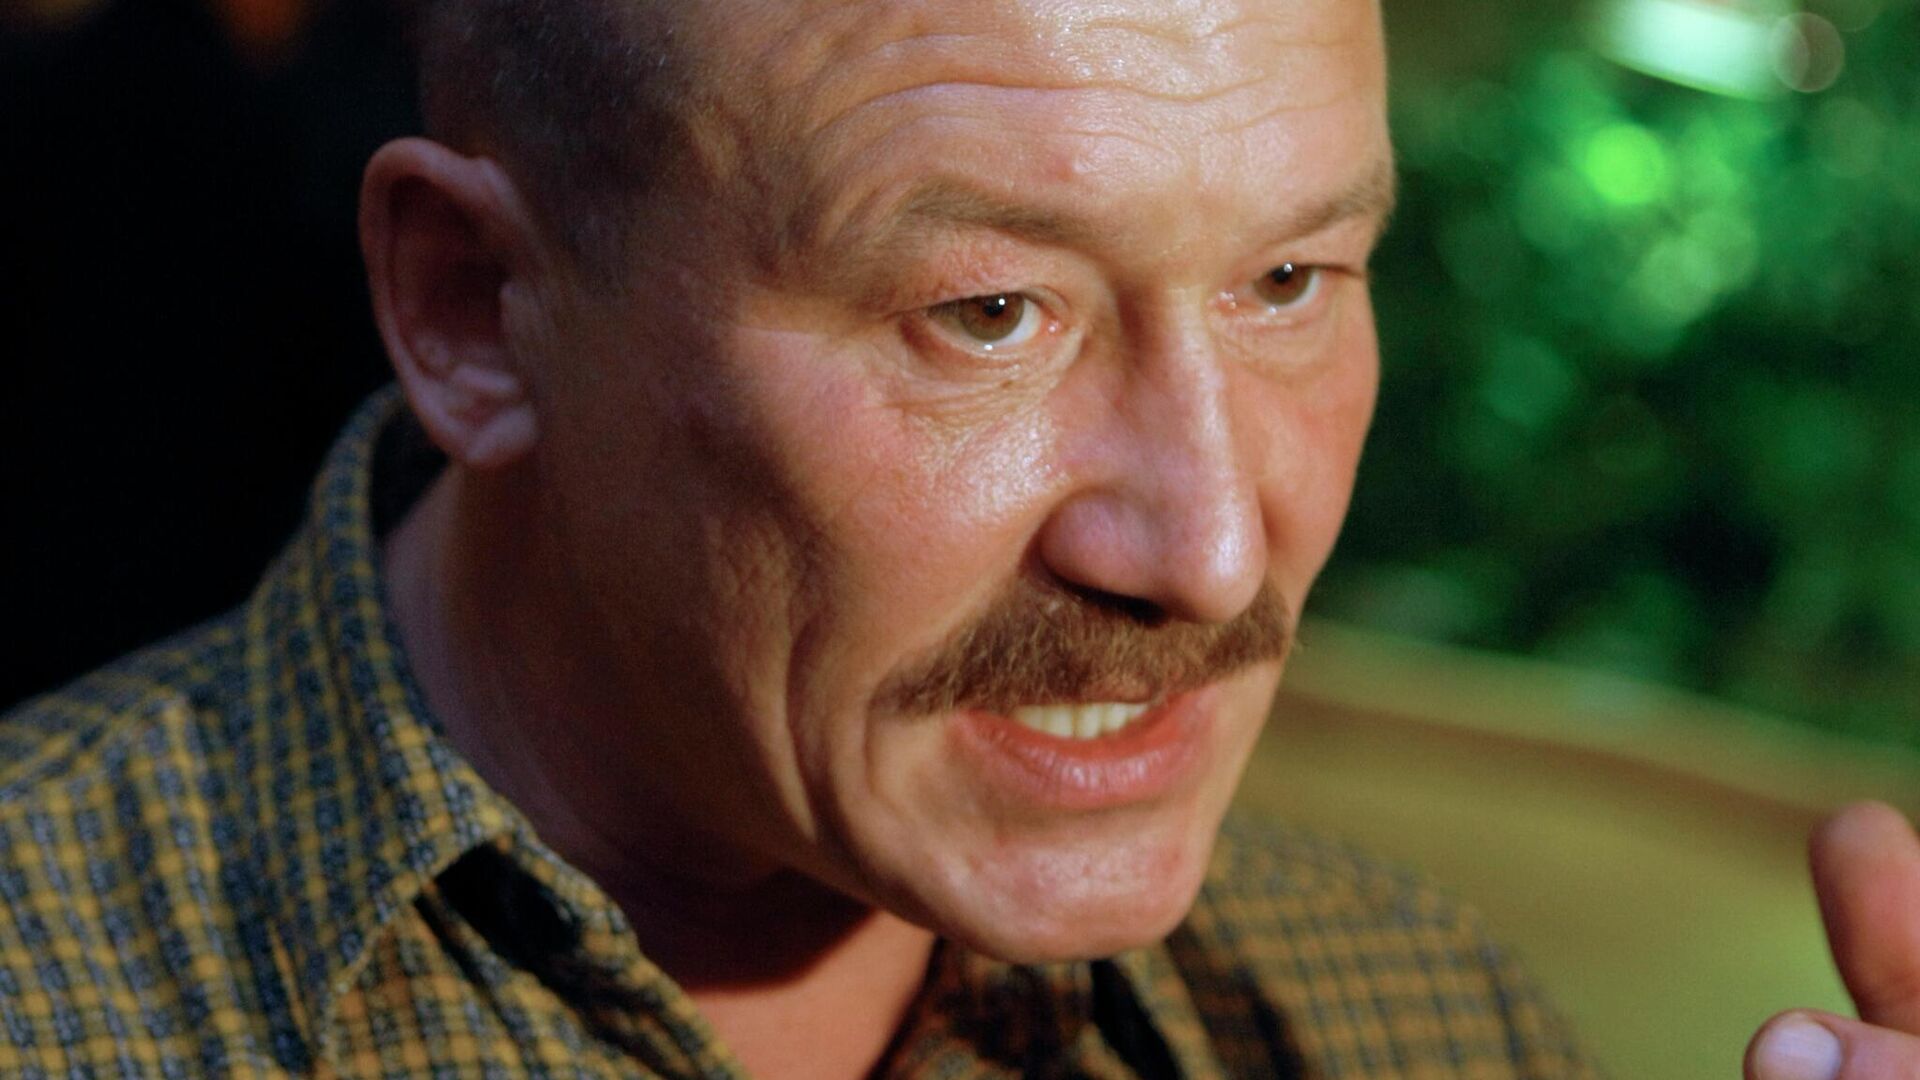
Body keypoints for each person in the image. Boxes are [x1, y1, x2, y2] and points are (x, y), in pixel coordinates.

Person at [0, 0, 1913, 1076]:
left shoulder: (1418, 1020)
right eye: (988, 314)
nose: (1211, 551)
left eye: (1287, 280)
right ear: (477, 313)